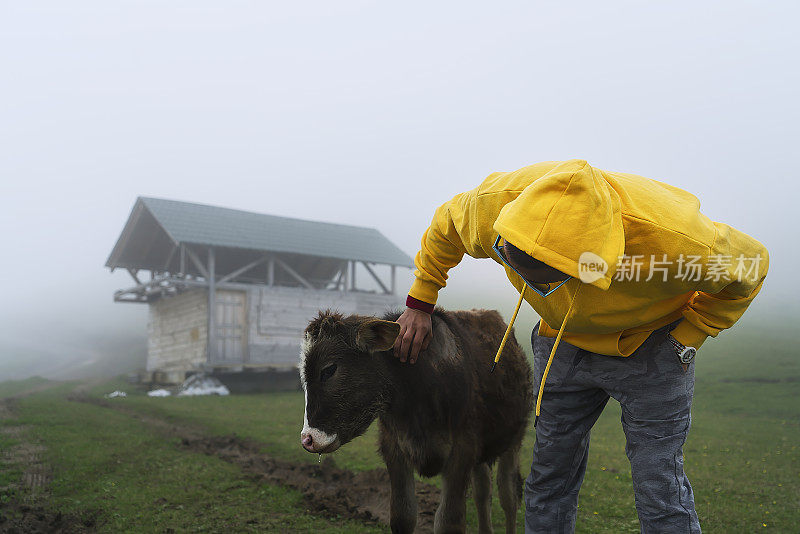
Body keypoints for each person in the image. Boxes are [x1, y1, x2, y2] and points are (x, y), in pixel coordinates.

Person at [392, 159, 768, 533]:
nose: (534, 287)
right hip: (562, 343)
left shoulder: (674, 244)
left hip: (652, 346)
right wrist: (421, 300)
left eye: (549, 282)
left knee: (659, 485)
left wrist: (688, 337)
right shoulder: (494, 206)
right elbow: (446, 225)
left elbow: (751, 267)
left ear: (588, 262)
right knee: (549, 477)